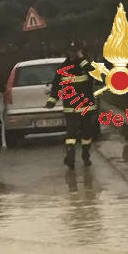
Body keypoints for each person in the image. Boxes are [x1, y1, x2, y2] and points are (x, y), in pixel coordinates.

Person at [45, 40, 98, 168]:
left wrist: (82, 59)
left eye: (75, 51)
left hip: (86, 107)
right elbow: (56, 85)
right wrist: (52, 100)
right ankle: (70, 157)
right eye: (71, 51)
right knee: (71, 134)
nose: (73, 54)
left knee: (86, 134)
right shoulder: (63, 68)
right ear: (67, 52)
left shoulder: (85, 66)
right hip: (71, 107)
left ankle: (86, 156)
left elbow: (95, 75)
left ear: (79, 52)